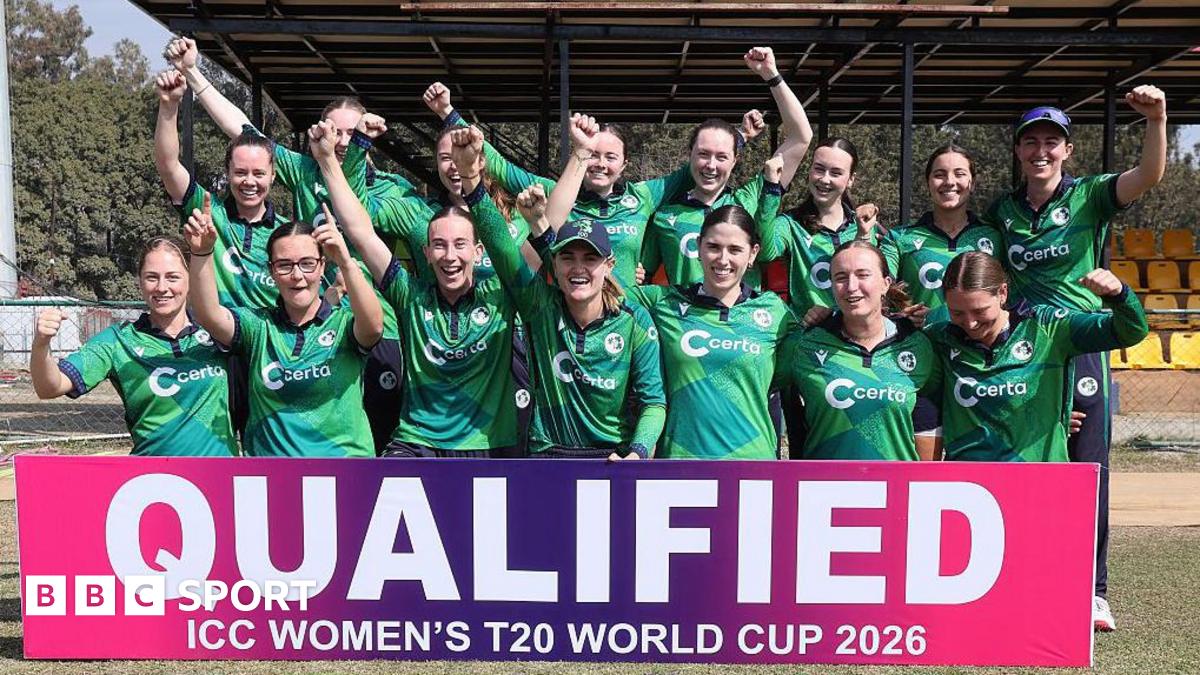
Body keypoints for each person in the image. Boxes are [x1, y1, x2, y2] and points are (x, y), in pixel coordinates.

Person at [164, 36, 404, 453]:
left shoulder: (390, 189)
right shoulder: (305, 169)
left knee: (377, 435)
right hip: (291, 327)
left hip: (365, 326)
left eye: (354, 132)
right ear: (321, 130)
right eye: (337, 130)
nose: (344, 139)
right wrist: (193, 72)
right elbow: (242, 134)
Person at [986, 86, 1167, 631]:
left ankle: (1093, 589)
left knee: (1089, 464)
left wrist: (1157, 119)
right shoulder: (1003, 211)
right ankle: (1018, 575)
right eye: (1031, 142)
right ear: (1018, 151)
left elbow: (1149, 176)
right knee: (1026, 458)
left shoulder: (1088, 195)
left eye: (1052, 142)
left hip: (1082, 341)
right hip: (1025, 349)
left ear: (1067, 150)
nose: (1041, 150)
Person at [426, 55, 781, 288]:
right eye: (593, 154)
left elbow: (700, 166)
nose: (600, 163)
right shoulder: (557, 191)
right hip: (572, 315)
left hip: (627, 323)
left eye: (611, 157)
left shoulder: (642, 197)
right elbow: (500, 167)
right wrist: (450, 115)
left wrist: (741, 137)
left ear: (624, 165)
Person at [309, 118, 522, 457]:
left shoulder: (501, 296)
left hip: (488, 445)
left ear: (478, 252)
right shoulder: (410, 294)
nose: (449, 256)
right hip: (418, 444)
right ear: (425, 252)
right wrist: (327, 162)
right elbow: (361, 232)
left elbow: (506, 240)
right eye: (438, 245)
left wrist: (471, 178)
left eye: (459, 245)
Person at [455, 124, 665, 459]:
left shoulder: (634, 320)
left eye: (590, 259)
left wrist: (637, 453)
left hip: (614, 458)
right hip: (548, 456)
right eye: (568, 257)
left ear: (609, 264)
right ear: (555, 263)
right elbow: (500, 246)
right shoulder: (541, 307)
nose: (578, 268)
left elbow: (654, 403)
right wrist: (471, 180)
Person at [185, 194, 383, 458]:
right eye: (284, 265)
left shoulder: (344, 324)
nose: (297, 275)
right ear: (271, 271)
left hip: (346, 478)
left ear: (322, 266)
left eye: (307, 263)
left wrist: (345, 261)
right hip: (274, 483)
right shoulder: (259, 327)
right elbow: (209, 314)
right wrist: (201, 252)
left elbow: (374, 327)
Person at [30, 238, 236, 457]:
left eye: (172, 277)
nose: (162, 287)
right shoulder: (119, 340)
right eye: (151, 278)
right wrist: (41, 344)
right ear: (140, 282)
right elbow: (49, 387)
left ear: (190, 280)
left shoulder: (220, 331)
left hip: (219, 477)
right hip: (153, 481)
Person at [632, 202, 797, 459]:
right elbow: (597, 291)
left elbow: (812, 351)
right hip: (682, 462)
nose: (723, 259)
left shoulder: (776, 311)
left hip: (753, 463)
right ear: (698, 247)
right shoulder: (664, 303)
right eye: (713, 247)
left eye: (735, 250)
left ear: (753, 254)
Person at [639, 46, 813, 289]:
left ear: (735, 160)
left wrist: (771, 75)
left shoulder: (749, 199)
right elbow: (641, 279)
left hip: (741, 324)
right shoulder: (664, 215)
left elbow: (800, 137)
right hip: (686, 325)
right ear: (690, 156)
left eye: (721, 157)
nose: (711, 165)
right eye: (703, 154)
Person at [776, 240, 940, 460]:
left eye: (863, 275)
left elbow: (931, 412)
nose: (852, 287)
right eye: (841, 277)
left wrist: (924, 481)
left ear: (885, 283)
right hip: (822, 489)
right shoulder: (804, 345)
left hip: (894, 489)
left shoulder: (917, 345)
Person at [880, 144, 1002, 327]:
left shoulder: (995, 236)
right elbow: (876, 288)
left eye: (959, 174)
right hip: (922, 349)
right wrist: (900, 315)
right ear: (927, 183)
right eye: (939, 175)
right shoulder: (899, 238)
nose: (949, 181)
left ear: (973, 183)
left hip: (976, 351)